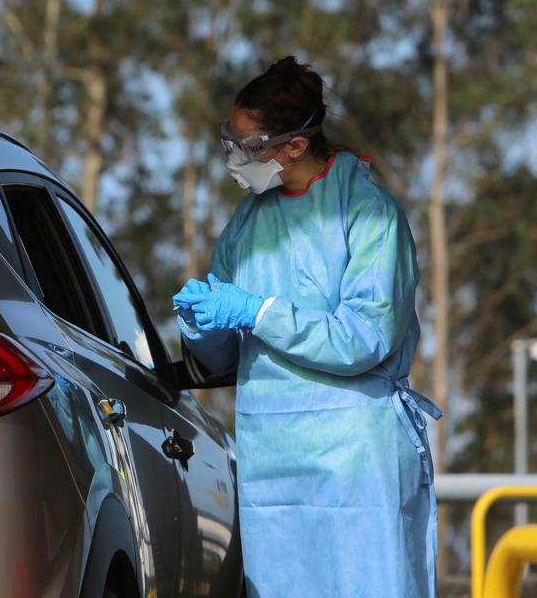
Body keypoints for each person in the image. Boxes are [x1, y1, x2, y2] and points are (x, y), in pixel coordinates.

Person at [172, 56, 440, 598]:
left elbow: (363, 338)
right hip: (271, 458)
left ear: (293, 145)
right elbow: (226, 360)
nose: (234, 157)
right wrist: (204, 327)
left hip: (355, 462)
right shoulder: (248, 222)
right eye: (231, 139)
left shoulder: (368, 214)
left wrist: (258, 312)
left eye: (248, 145)